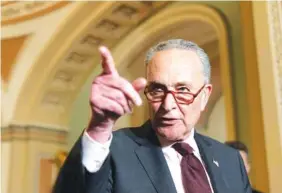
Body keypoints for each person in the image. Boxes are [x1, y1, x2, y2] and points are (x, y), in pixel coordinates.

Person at [53, 39, 251, 193]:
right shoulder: (114, 151)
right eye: (157, 89)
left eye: (182, 90)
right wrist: (99, 127)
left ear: (205, 95)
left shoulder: (229, 160)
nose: (167, 105)